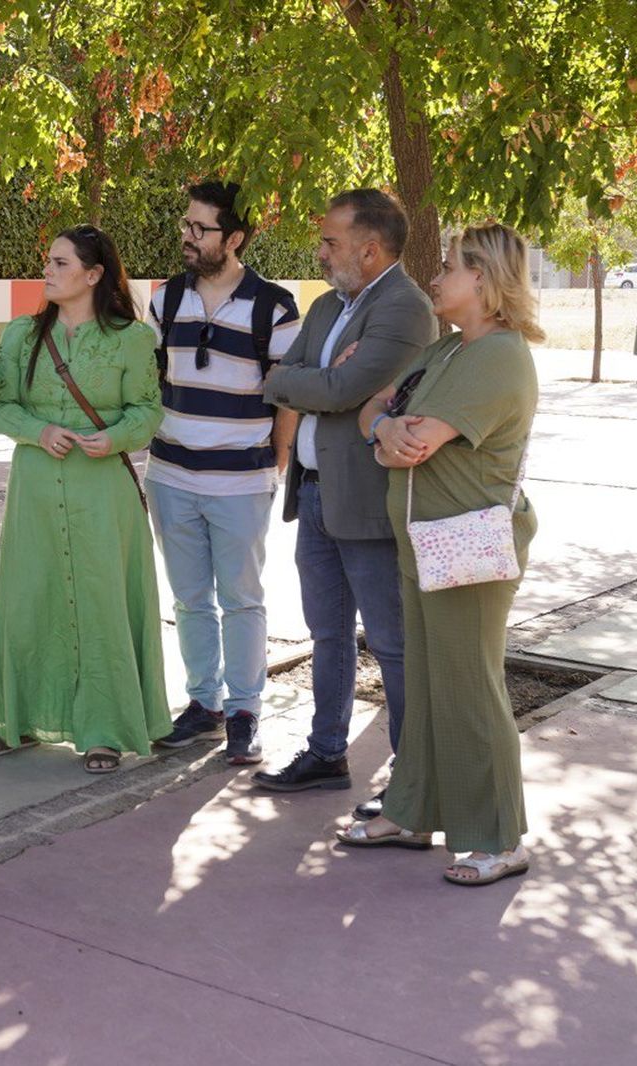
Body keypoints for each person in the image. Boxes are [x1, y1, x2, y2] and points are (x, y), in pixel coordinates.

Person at [335, 223, 541, 886]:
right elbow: (375, 410)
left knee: (469, 689)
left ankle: (499, 837)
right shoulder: (448, 351)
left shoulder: (499, 356)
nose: (435, 277)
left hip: (469, 545)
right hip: (426, 542)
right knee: (423, 685)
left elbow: (416, 437)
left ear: (482, 278)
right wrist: (384, 428)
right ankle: (411, 811)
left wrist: (391, 429)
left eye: (448, 266)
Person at [255, 189, 435, 815]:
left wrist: (310, 384)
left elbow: (342, 390)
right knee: (327, 633)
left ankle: (413, 780)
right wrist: (309, 383)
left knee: (391, 644)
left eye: (331, 241)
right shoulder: (331, 303)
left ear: (370, 247)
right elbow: (284, 376)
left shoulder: (406, 309)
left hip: (368, 502)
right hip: (315, 495)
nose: (321, 250)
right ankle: (327, 753)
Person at [0, 226, 167, 773]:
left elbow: (148, 411)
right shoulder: (21, 337)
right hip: (34, 485)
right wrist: (37, 431)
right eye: (48, 262)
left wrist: (118, 437)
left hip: (104, 491)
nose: (48, 271)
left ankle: (105, 730)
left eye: (60, 263)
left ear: (94, 274)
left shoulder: (133, 339)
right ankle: (16, 720)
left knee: (103, 603)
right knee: (28, 599)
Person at [145, 181, 301, 763]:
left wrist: (275, 461)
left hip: (241, 479)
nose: (187, 237)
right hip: (171, 474)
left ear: (233, 238)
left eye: (199, 229)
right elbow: (151, 376)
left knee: (241, 599)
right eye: (185, 225)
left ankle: (244, 711)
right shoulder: (164, 298)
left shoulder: (274, 305)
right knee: (189, 600)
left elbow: (286, 394)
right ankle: (204, 705)